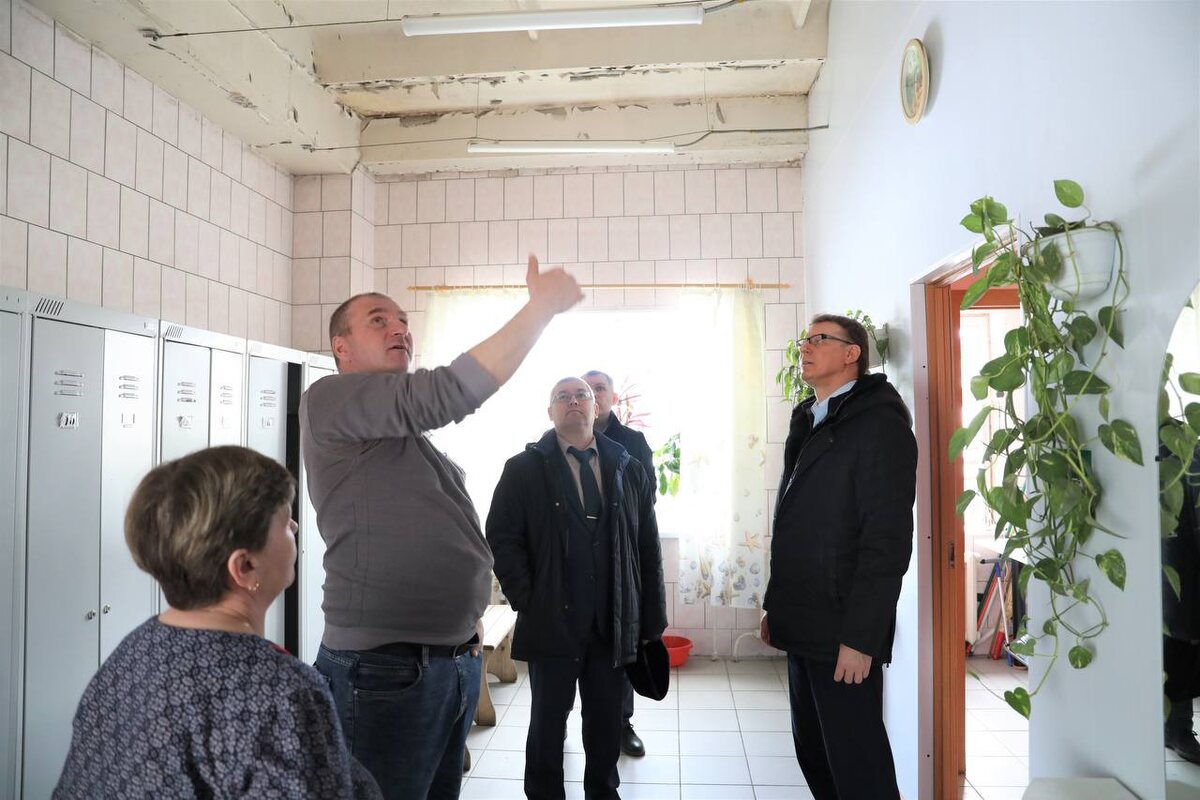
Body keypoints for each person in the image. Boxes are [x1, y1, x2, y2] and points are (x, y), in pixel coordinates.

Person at [301, 255, 582, 800]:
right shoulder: (328, 400)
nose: (399, 328)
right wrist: (540, 309)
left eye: (403, 320)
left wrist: (465, 623)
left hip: (447, 660)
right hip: (383, 669)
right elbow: (447, 392)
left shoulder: (401, 433)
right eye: (378, 320)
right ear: (341, 347)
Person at [54, 446, 380, 800]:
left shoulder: (133, 652)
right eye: (284, 520)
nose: (295, 526)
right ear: (245, 567)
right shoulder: (281, 692)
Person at [486, 377, 667, 800]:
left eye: (582, 395)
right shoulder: (522, 469)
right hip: (551, 623)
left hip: (611, 622)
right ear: (550, 411)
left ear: (597, 407)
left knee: (605, 725)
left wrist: (652, 621)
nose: (573, 401)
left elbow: (647, 546)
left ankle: (603, 793)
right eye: (562, 397)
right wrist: (527, 597)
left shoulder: (627, 467)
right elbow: (501, 537)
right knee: (547, 726)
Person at [761, 314, 916, 800]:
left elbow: (887, 542)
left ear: (853, 354)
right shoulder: (811, 416)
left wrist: (860, 639)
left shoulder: (879, 425)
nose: (805, 348)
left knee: (857, 764)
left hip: (843, 631)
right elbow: (794, 526)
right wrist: (775, 607)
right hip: (804, 620)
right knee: (814, 753)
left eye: (819, 339)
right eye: (804, 340)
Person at [582, 369, 655, 758]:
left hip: (621, 559)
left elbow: (648, 497)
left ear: (611, 398)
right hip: (576, 565)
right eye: (586, 389)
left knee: (622, 641)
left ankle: (622, 723)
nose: (593, 395)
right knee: (578, 647)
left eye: (600, 388)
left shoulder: (633, 442)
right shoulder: (558, 440)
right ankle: (569, 719)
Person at [1163, 441, 1200, 764]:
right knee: (1178, 632)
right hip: (1175, 549)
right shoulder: (1170, 448)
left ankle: (1178, 727)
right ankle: (1177, 727)